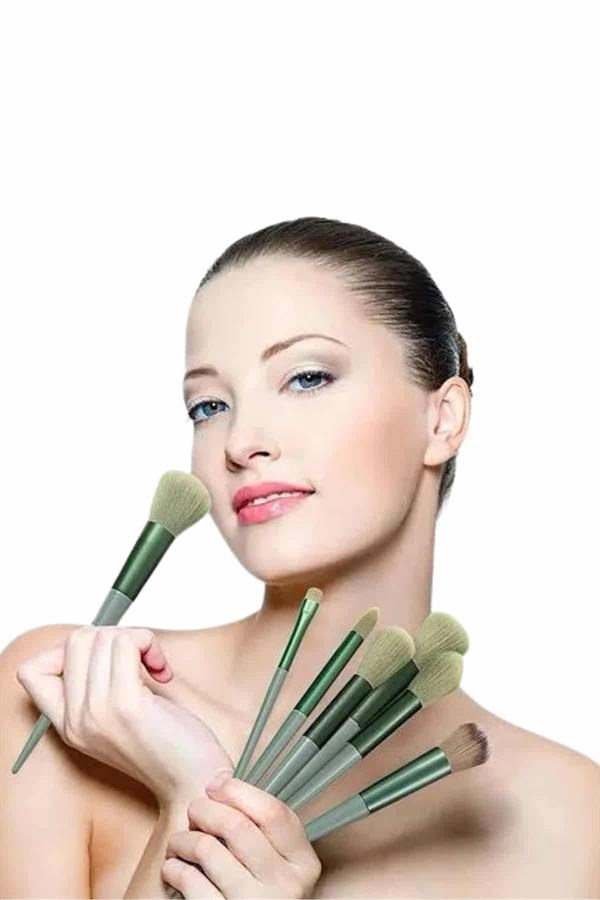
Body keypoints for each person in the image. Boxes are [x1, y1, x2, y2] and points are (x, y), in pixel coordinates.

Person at [1, 216, 599, 899]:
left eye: (307, 378)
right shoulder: (70, 698)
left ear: (443, 419)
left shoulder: (569, 818)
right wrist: (192, 793)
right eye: (208, 406)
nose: (240, 441)